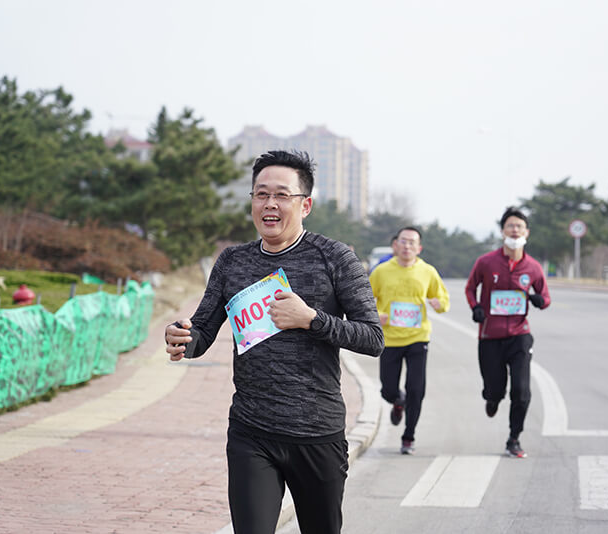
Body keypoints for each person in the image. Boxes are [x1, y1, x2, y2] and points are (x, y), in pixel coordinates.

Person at [164, 150, 384, 534]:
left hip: (316, 434)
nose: (270, 203)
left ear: (306, 204)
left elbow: (373, 338)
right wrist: (184, 337)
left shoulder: (335, 259)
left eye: (282, 195)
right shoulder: (232, 261)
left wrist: (311, 319)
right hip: (252, 432)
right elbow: (203, 331)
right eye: (261, 194)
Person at [464, 207, 550, 459]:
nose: (515, 230)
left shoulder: (533, 267)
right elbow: (470, 289)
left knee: (521, 391)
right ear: (502, 231)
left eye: (519, 226)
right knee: (495, 390)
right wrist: (476, 307)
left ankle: (514, 438)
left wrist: (538, 300)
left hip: (519, 335)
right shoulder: (486, 262)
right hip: (489, 337)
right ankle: (492, 399)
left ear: (527, 233)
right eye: (510, 226)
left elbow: (545, 298)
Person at [369, 227, 450, 455]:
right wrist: (376, 315)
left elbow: (443, 299)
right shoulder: (381, 271)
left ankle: (408, 436)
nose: (407, 246)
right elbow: (364, 300)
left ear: (419, 248)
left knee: (417, 389)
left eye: (412, 243)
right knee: (388, 390)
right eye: (403, 242)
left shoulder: (427, 271)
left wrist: (438, 304)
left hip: (418, 337)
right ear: (395, 245)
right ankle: (397, 401)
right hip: (390, 339)